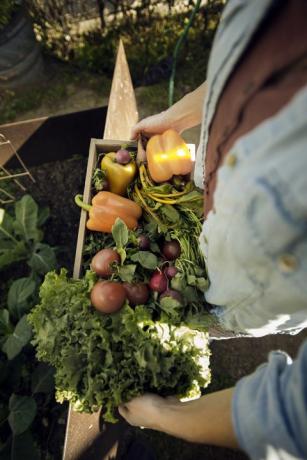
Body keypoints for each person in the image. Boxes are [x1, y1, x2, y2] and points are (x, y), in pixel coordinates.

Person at [119, 1, 307, 458]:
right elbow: (249, 61)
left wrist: (163, 416)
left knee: (212, 307)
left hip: (252, 288)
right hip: (221, 202)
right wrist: (181, 116)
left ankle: (207, 329)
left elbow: (294, 415)